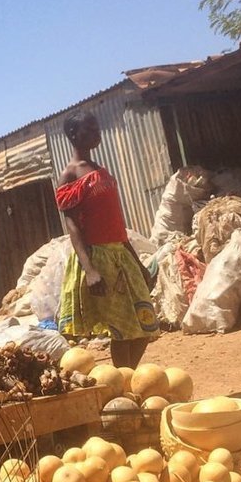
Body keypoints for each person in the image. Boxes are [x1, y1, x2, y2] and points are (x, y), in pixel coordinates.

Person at [55, 111, 158, 369]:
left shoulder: (101, 170)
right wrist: (90, 269)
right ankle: (124, 384)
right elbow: (73, 227)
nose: (96, 133)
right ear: (73, 135)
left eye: (96, 128)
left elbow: (117, 224)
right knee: (122, 329)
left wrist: (138, 263)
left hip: (122, 254)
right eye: (89, 129)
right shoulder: (70, 175)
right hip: (99, 258)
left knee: (146, 324)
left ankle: (127, 377)